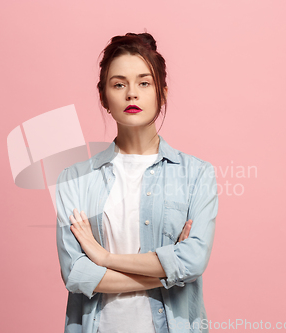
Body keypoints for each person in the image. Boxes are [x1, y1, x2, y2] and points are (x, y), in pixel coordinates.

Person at [55, 32, 219, 333]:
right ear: (104, 97)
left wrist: (105, 258)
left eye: (144, 82)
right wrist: (168, 269)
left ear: (162, 92)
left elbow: (193, 261)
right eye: (119, 84)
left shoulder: (196, 174)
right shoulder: (74, 179)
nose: (132, 93)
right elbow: (76, 273)